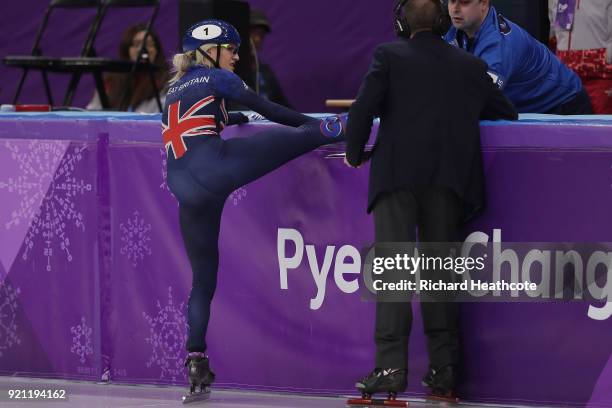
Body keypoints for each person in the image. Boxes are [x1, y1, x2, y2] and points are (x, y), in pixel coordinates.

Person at [162, 19, 346, 399]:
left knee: (202, 283)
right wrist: (321, 126)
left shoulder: (174, 91)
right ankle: (357, 129)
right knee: (306, 136)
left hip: (186, 192)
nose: (237, 55)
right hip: (214, 169)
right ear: (209, 52)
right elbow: (272, 110)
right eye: (230, 48)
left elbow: (218, 119)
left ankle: (196, 360)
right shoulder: (218, 80)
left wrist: (241, 119)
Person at [344, 0, 517, 401]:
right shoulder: (469, 65)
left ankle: (390, 368)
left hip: (396, 179)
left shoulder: (387, 55)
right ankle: (444, 370)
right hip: (448, 182)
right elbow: (506, 111)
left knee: (394, 274)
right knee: (442, 277)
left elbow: (362, 111)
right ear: (442, 23)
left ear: (402, 23)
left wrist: (354, 155)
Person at [444, 0, 592, 114]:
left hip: (564, 104)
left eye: (464, 2)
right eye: (451, 1)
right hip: (528, 106)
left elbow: (480, 99)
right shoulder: (457, 28)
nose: (455, 8)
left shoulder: (499, 45)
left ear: (483, 3)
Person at [87, 23, 169, 113]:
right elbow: (93, 110)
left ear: (156, 50)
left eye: (149, 44)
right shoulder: (111, 81)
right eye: (136, 44)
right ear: (127, 50)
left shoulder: (166, 82)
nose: (142, 49)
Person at [549, 0, 612, 114]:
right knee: (570, 128)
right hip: (567, 78)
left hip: (600, 76)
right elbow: (554, 31)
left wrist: (607, 58)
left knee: (601, 128)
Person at [249, 9, 293, 108]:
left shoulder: (265, 71)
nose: (257, 39)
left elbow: (283, 105)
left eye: (261, 35)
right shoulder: (231, 72)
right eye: (253, 33)